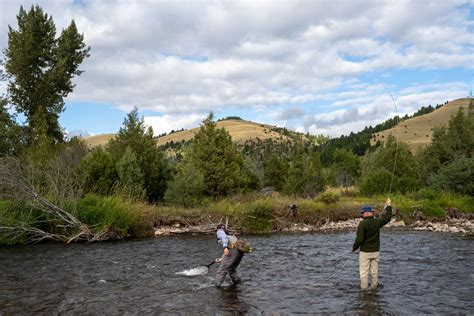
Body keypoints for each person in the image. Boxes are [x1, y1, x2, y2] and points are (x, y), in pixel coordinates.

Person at [352, 198, 393, 290]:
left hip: (365, 252)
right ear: (372, 213)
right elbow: (387, 218)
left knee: (364, 272)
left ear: (365, 214)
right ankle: (374, 288)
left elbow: (359, 239)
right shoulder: (377, 221)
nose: (363, 214)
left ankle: (364, 290)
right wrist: (389, 206)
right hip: (375, 252)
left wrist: (354, 248)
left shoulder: (362, 224)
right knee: (374, 272)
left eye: (363, 213)